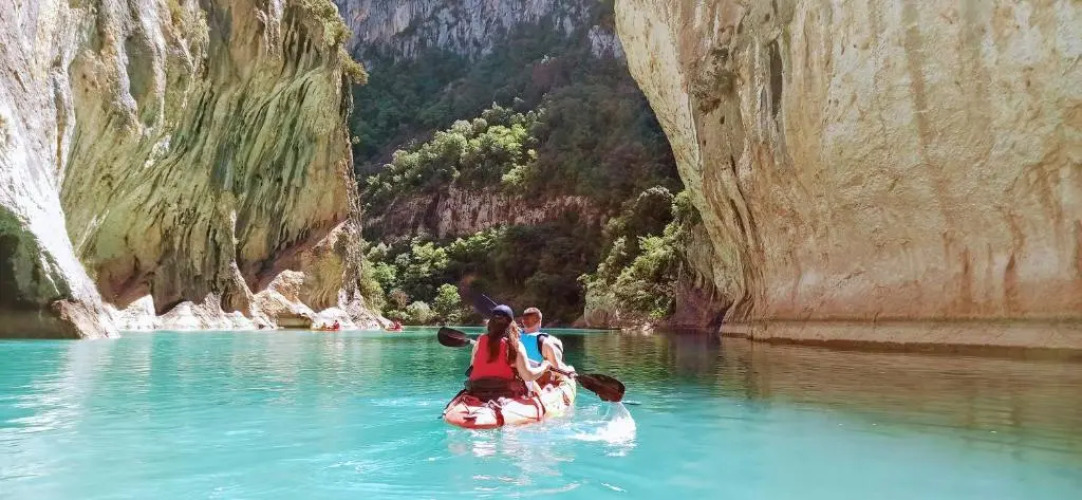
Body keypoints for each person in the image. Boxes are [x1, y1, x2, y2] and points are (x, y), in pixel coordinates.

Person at [465, 305, 552, 400]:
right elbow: (528, 376)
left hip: (477, 391)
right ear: (512, 325)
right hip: (504, 394)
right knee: (524, 379)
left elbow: (472, 368)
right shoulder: (516, 346)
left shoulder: (479, 342)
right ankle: (542, 398)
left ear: (490, 323)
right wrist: (544, 366)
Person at [519, 307, 574, 385]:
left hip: (518, 380)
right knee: (566, 369)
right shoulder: (545, 342)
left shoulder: (514, 337)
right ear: (539, 322)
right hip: (535, 382)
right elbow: (557, 372)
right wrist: (569, 369)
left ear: (523, 322)